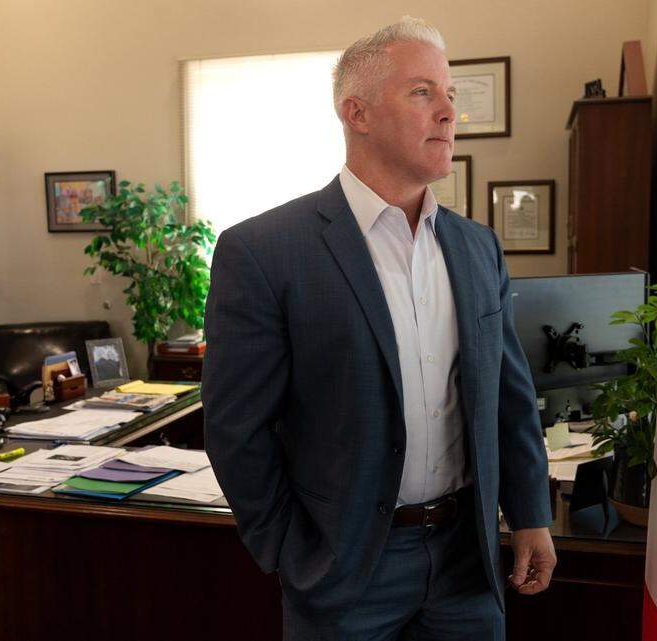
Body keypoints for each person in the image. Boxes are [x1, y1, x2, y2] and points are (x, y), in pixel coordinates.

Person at [203, 16, 555, 640]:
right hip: (344, 572)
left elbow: (509, 396)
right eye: (422, 92)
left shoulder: (478, 249)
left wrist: (530, 514)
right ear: (356, 113)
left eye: (449, 94)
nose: (449, 111)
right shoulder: (263, 251)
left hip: (466, 563)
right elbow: (237, 430)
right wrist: (291, 551)